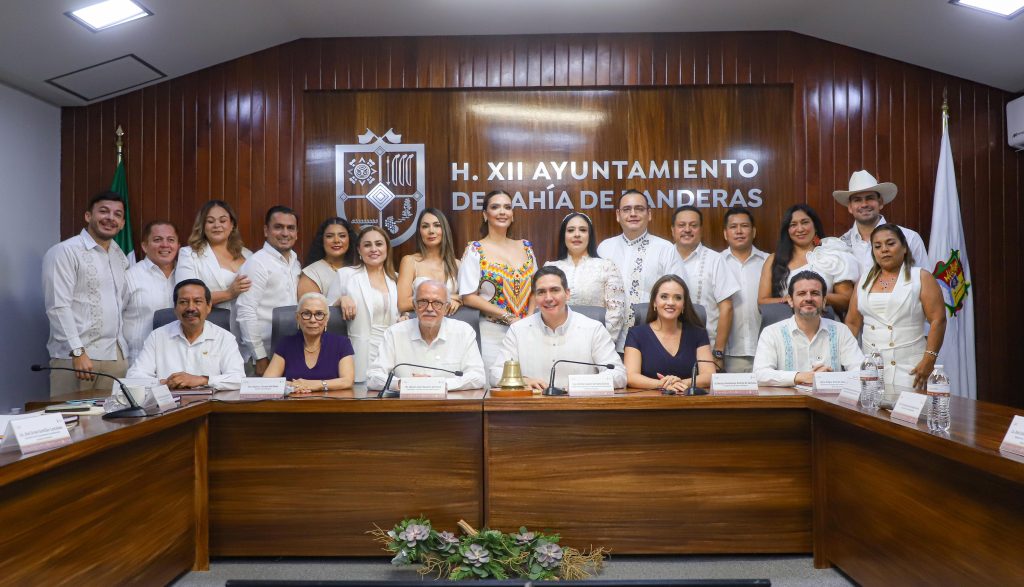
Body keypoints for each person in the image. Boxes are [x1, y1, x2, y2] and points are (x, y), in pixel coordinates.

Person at [845, 224, 946, 402]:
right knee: (871, 414)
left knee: (910, 416)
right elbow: (853, 323)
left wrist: (929, 360)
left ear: (904, 247)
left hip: (912, 367)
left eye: (890, 243)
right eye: (877, 246)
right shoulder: (863, 280)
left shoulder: (921, 277)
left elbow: (938, 320)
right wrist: (849, 361)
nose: (884, 250)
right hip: (872, 368)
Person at [43, 191, 130, 396]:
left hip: (115, 358)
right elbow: (57, 306)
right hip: (77, 358)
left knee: (113, 416)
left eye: (117, 214)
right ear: (88, 216)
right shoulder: (65, 251)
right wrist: (77, 351)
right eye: (104, 211)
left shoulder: (119, 256)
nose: (110, 218)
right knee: (71, 415)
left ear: (122, 224)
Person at [490, 266, 626, 391]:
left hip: (580, 406)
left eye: (555, 290)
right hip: (533, 406)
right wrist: (523, 381)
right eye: (541, 292)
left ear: (567, 293)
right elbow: (495, 374)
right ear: (535, 298)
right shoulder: (518, 330)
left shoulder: (593, 329)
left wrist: (579, 384)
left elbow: (618, 375)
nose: (548, 298)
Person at [459, 190, 537, 384]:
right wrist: (508, 317)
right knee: (497, 386)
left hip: (528, 332)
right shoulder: (475, 249)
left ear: (512, 214)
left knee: (531, 386)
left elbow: (537, 288)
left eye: (507, 207)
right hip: (492, 333)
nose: (502, 212)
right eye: (495, 207)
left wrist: (528, 319)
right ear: (485, 215)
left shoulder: (526, 247)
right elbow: (468, 296)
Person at [597, 189, 687, 352]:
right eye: (627, 209)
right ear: (618, 215)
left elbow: (678, 294)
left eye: (639, 209)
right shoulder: (604, 248)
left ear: (649, 214)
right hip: (608, 344)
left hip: (653, 342)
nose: (633, 214)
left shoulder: (665, 249)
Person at [367, 279, 486, 392]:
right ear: (414, 306)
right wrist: (402, 383)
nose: (429, 308)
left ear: (446, 308)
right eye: (423, 302)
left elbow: (478, 376)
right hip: (406, 404)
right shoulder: (394, 333)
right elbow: (373, 377)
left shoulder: (464, 332)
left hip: (450, 403)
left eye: (437, 303)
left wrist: (439, 384)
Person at [127, 279, 245, 390]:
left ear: (208, 307)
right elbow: (134, 377)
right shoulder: (157, 337)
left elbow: (238, 378)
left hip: (211, 403)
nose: (190, 308)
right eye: (183, 302)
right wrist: (164, 383)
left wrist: (202, 380)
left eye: (197, 301)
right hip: (168, 403)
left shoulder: (224, 338)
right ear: (175, 308)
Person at [753, 271, 863, 387]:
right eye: (802, 293)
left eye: (815, 293)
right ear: (790, 300)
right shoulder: (771, 333)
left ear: (824, 301)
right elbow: (759, 374)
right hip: (788, 398)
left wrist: (829, 378)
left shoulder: (841, 331)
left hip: (831, 398)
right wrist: (800, 377)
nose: (809, 298)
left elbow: (861, 372)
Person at [175, 200, 253, 346]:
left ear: (232, 225)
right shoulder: (189, 254)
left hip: (248, 334)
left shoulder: (248, 255)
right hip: (209, 333)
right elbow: (185, 296)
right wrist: (228, 294)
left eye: (223, 220)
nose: (217, 225)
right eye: (210, 221)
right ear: (203, 226)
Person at [235, 205, 301, 375]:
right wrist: (260, 356)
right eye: (278, 227)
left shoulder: (294, 262)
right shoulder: (257, 263)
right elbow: (246, 311)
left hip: (288, 352)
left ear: (296, 233)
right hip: (263, 357)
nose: (285, 233)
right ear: (266, 230)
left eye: (290, 228)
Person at [671, 205, 739, 368]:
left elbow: (726, 308)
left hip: (706, 350)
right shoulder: (662, 256)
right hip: (665, 347)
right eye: (681, 225)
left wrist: (718, 352)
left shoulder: (715, 260)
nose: (687, 230)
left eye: (693, 225)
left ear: (701, 229)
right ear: (673, 230)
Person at [758, 204, 859, 312]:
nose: (800, 229)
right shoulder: (774, 259)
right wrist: (788, 299)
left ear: (815, 226)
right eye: (793, 225)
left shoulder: (833, 253)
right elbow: (762, 302)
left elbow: (847, 300)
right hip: (786, 320)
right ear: (787, 230)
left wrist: (816, 296)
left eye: (805, 222)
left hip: (826, 320)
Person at [544, 212, 626, 343]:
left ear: (590, 235)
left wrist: (601, 345)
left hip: (596, 343)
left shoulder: (606, 267)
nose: (577, 234)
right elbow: (543, 308)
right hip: (555, 342)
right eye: (571, 230)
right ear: (563, 236)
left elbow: (616, 313)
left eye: (583, 230)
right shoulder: (550, 268)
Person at [624, 275, 715, 393]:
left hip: (689, 400)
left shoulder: (698, 333)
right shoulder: (636, 334)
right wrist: (661, 384)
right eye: (664, 297)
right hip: (649, 401)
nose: (671, 302)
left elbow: (709, 375)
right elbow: (630, 376)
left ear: (684, 304)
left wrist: (682, 383)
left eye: (678, 298)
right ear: (654, 302)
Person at [337, 226, 400, 383]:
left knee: (391, 392)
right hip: (359, 351)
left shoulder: (396, 278)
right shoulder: (345, 275)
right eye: (367, 245)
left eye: (379, 244)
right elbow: (324, 311)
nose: (373, 249)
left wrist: (404, 316)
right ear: (359, 249)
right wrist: (341, 299)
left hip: (392, 351)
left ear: (387, 248)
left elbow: (404, 308)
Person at [835, 170, 928, 274]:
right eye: (857, 200)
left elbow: (925, 280)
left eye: (870, 198)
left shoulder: (910, 238)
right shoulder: (840, 245)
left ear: (880, 203)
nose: (864, 204)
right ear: (850, 207)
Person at [263, 292, 355, 393]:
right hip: (293, 402)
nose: (312, 320)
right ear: (297, 317)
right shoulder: (286, 344)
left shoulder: (342, 344)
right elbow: (267, 381)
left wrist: (316, 385)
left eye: (319, 314)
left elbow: (347, 381)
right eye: (306, 314)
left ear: (327, 319)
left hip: (330, 402)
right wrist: (291, 385)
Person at [720, 207, 769, 374]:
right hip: (729, 352)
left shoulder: (769, 261)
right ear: (725, 233)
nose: (739, 231)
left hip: (766, 350)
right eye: (733, 227)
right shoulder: (716, 262)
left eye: (744, 226)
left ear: (753, 231)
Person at [123, 221, 180, 362]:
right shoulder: (129, 277)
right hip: (136, 361)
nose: (165, 245)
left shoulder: (185, 276)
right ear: (144, 246)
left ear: (178, 246)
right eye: (157, 240)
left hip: (178, 361)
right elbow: (113, 321)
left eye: (171, 240)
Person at [397, 208, 462, 315]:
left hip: (452, 322)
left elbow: (468, 298)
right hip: (419, 322)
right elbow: (402, 303)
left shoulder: (457, 264)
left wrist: (459, 301)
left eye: (437, 225)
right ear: (419, 232)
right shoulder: (409, 261)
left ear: (444, 229)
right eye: (425, 226)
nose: (431, 231)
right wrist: (448, 298)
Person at [297, 216, 357, 305]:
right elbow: (310, 311)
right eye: (329, 236)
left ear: (350, 239)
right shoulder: (311, 273)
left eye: (342, 236)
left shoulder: (359, 267)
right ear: (322, 240)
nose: (336, 240)